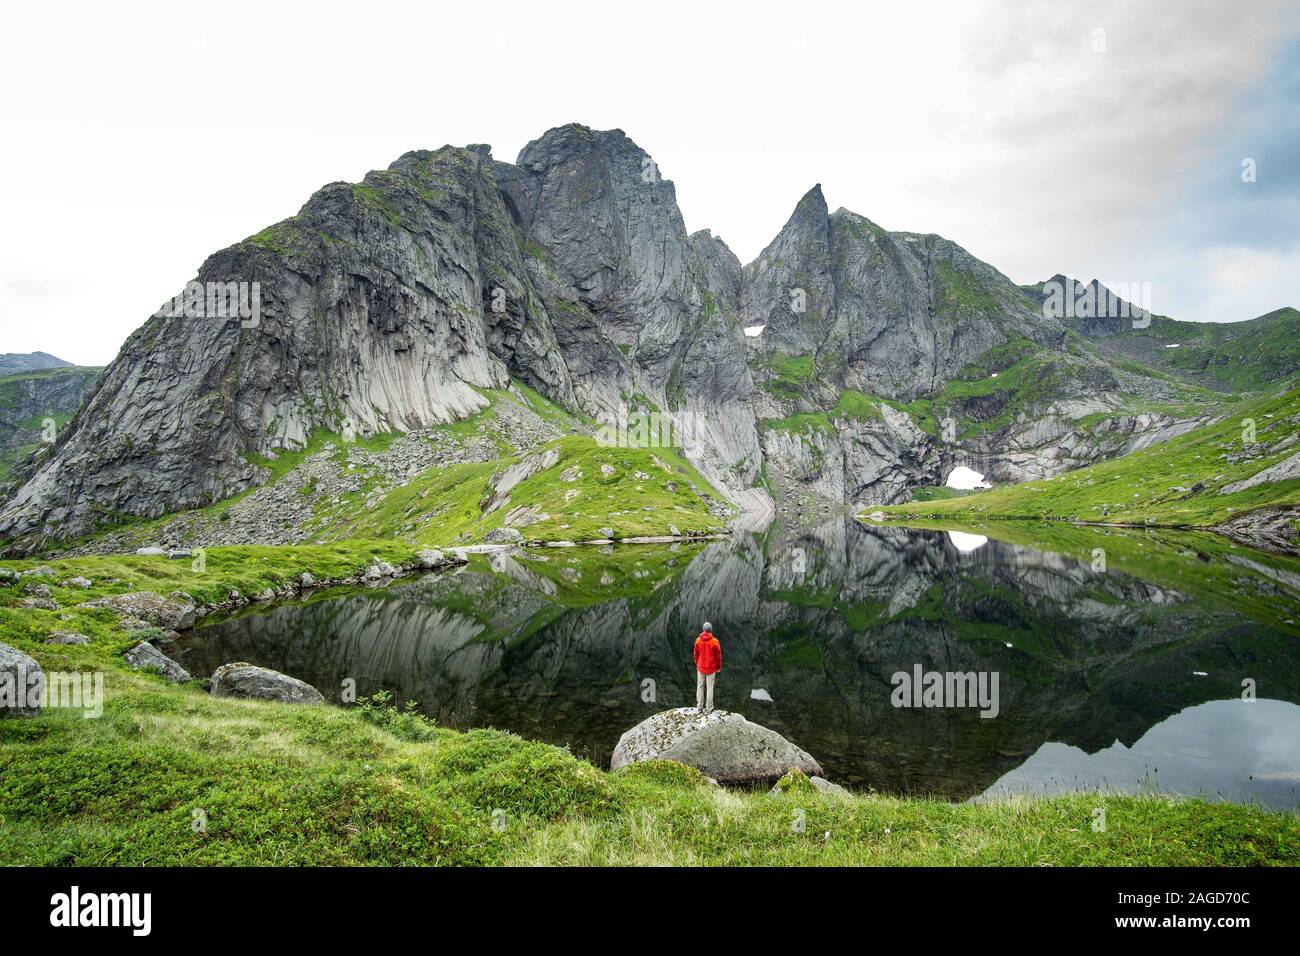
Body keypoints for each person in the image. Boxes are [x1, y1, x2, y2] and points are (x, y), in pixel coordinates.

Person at [693, 622, 721, 711]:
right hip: (711, 668)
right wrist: (718, 666)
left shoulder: (698, 640)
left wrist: (697, 663)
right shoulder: (715, 642)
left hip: (700, 667)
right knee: (709, 688)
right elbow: (718, 656)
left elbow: (695, 654)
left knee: (700, 686)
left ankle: (700, 706)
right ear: (711, 630)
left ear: (703, 630)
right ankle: (709, 707)